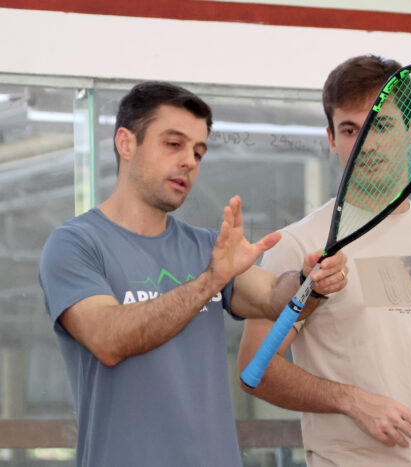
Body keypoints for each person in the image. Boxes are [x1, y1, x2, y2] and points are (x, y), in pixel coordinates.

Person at [38, 81, 347, 467]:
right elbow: (108, 339)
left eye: (198, 152)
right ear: (126, 143)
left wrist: (309, 282)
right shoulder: (75, 244)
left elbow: (276, 300)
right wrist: (209, 283)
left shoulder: (205, 248)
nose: (189, 161)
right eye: (174, 144)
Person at [237, 55, 411, 466]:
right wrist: (351, 401)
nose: (364, 141)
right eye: (350, 129)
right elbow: (255, 369)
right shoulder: (300, 244)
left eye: (380, 125)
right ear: (332, 139)